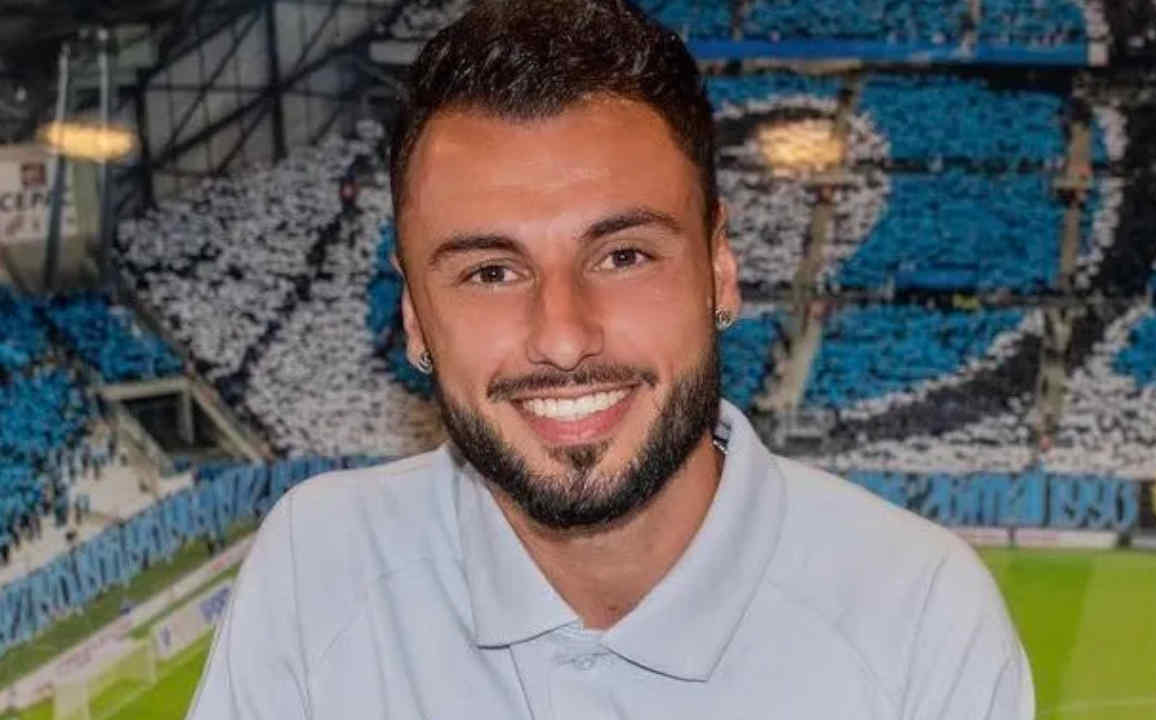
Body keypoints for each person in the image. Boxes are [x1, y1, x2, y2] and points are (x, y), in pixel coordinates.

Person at [185, 1, 1033, 718]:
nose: (562, 337)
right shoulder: (316, 570)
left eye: (623, 256)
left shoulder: (919, 617)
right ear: (414, 317)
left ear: (719, 270)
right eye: (490, 272)